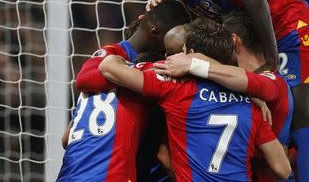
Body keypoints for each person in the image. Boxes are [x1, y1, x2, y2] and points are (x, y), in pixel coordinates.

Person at [136, 0, 309, 182]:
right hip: (256, 43)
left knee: (303, 120)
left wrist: (269, 64)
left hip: (292, 29)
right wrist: (161, 12)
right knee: (272, 127)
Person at [98, 18, 292, 181]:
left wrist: (121, 56)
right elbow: (283, 169)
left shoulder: (175, 88)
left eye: (182, 51)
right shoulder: (252, 105)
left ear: (190, 56)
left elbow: (107, 67)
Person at [56, 0, 191, 182]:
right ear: (155, 32)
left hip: (70, 173)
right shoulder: (130, 64)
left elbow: (66, 138)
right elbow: (84, 78)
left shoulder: (115, 69)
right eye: (172, 39)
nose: (173, 48)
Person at [155, 11, 294, 182]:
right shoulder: (242, 97)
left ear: (234, 41)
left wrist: (194, 63)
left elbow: (253, 84)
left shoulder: (271, 82)